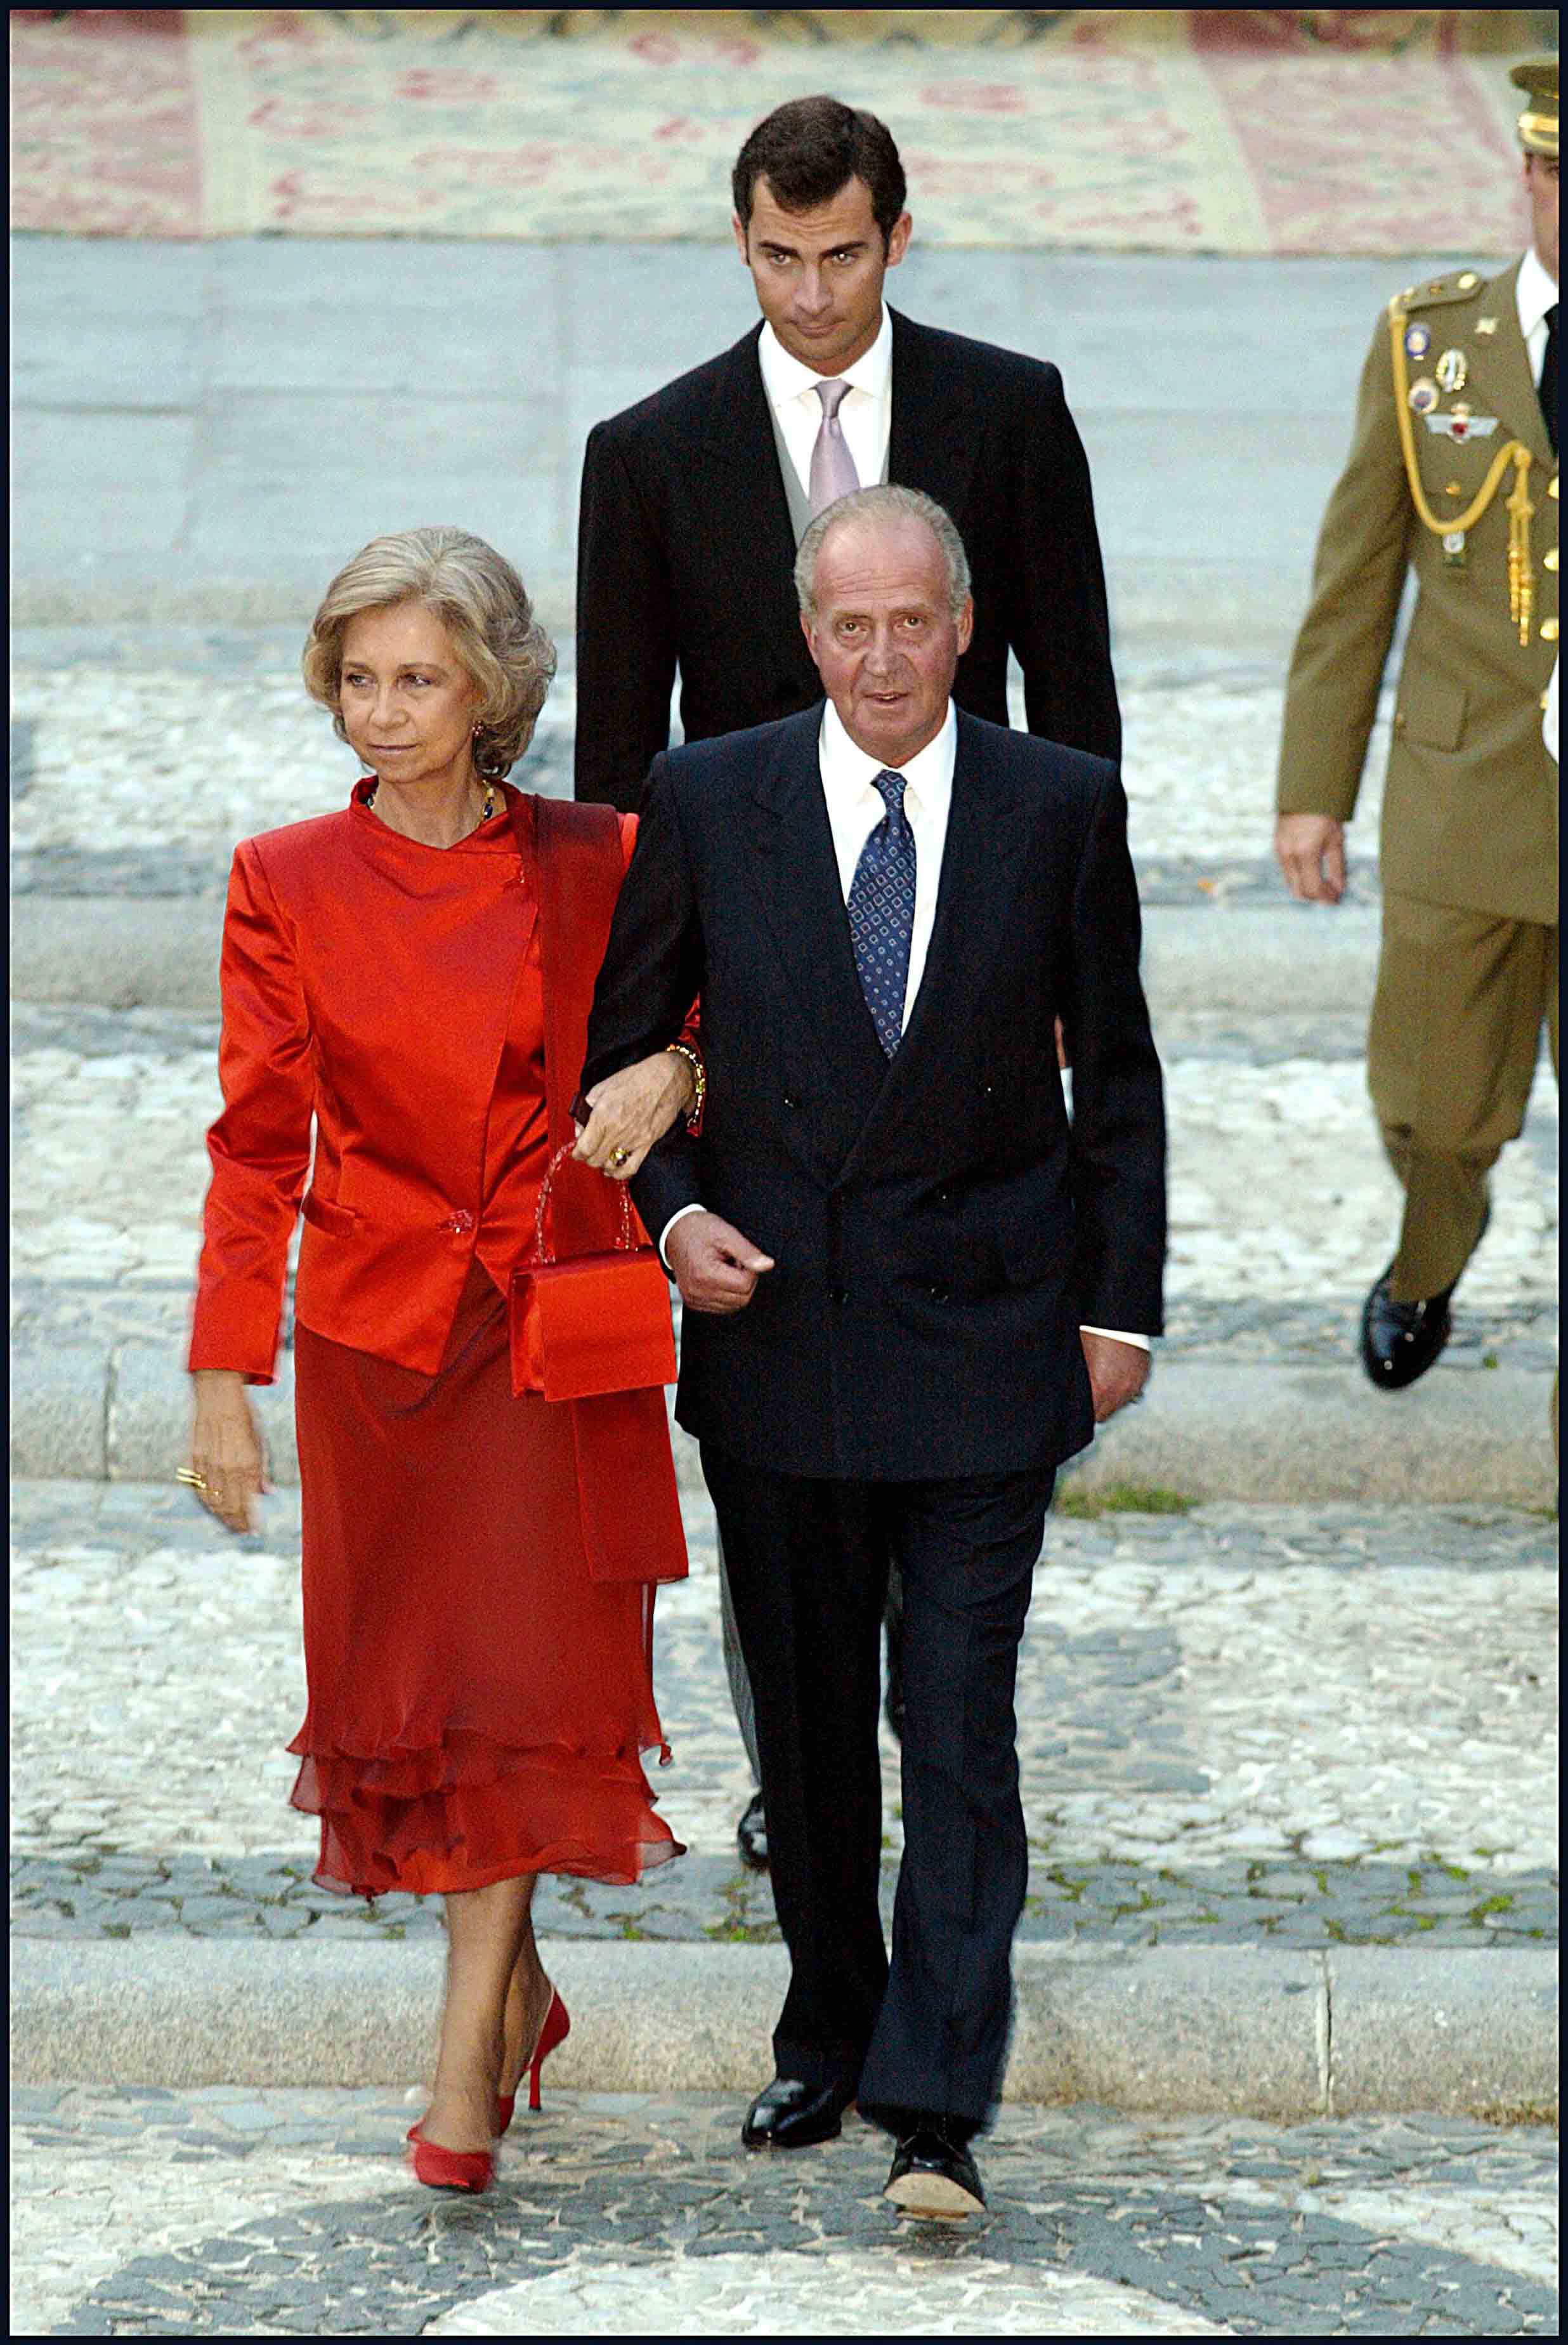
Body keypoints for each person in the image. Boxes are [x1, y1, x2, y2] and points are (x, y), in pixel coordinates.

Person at [581, 486, 1166, 2222]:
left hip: (991, 1341)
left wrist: (1116, 1310)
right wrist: (676, 1224)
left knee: (958, 1722)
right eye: (853, 625)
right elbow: (631, 1054)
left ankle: (936, 2100)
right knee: (817, 1735)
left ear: (965, 624)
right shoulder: (708, 794)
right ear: (808, 628)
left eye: (916, 622)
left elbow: (1116, 1078)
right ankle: (830, 2029)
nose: (886, 656)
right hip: (785, 1343)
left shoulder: (1061, 804)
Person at [575, 92, 1123, 1872]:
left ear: (899, 236)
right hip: (754, 986)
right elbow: (610, 767)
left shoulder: (1008, 409)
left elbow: (1077, 697)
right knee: (774, 1393)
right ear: (740, 246)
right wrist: (645, 1038)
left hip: (961, 948)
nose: (811, 295)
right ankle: (791, 1763)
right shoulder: (648, 450)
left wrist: (1065, 958)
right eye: (775, 258)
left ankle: (937, 1761)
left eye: (841, 255)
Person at [183, 527, 698, 2197]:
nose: (383, 710)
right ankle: (512, 1984)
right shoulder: (286, 880)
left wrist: (676, 1083)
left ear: (492, 689)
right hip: (380, 1345)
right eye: (358, 678)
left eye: (419, 678)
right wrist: (218, 1376)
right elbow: (258, 1145)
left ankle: (462, 2060)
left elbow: (710, 1010)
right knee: (438, 1703)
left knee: (535, 1690)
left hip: (557, 1325)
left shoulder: (600, 856)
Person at [1274, 55, 1558, 1392]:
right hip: (1464, 798)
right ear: (1528, 176)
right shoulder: (1431, 341)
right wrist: (1311, 789)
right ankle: (1431, 1254)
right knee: (1435, 1107)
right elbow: (1356, 580)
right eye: (1555, 176)